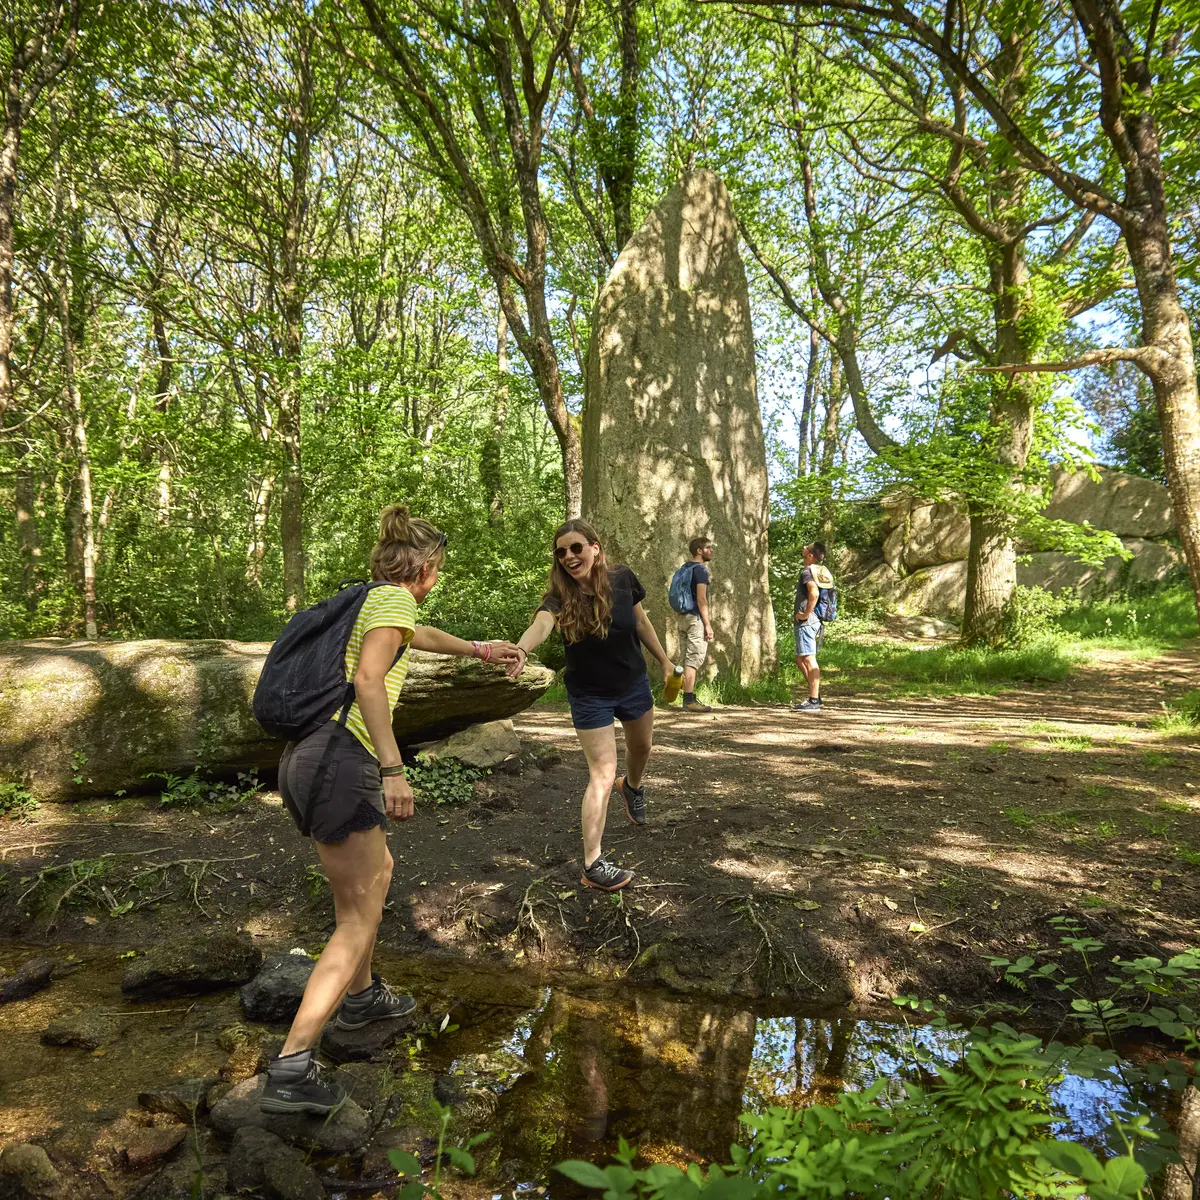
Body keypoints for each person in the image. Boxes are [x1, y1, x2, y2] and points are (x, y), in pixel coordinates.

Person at [261, 506, 521, 1116]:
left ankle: (361, 996)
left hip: (305, 758)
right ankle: (293, 1067)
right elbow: (371, 680)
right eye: (439, 572)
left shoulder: (369, 601)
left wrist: (479, 649)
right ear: (426, 570)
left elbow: (416, 639)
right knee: (356, 917)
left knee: (377, 878)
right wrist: (393, 768)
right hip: (341, 761)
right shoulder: (394, 605)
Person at [509, 519, 675, 892]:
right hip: (589, 694)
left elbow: (641, 621)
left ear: (595, 548)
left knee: (642, 748)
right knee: (601, 773)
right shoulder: (557, 599)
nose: (569, 556)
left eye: (576, 548)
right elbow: (541, 625)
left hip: (632, 683)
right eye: (561, 551)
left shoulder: (622, 578)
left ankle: (632, 787)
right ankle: (593, 864)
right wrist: (522, 648)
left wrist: (664, 661)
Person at [792, 542, 833, 713]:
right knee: (800, 659)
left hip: (807, 621)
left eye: (806, 547)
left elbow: (814, 594)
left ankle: (814, 700)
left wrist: (805, 614)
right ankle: (815, 694)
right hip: (815, 620)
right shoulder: (821, 572)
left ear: (809, 555)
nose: (803, 547)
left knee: (808, 659)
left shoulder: (808, 572)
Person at [676, 536, 714, 713]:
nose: (711, 550)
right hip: (695, 619)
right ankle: (689, 700)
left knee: (684, 658)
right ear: (699, 551)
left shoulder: (684, 568)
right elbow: (701, 599)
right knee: (693, 660)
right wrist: (707, 624)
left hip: (682, 618)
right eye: (708, 548)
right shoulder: (701, 570)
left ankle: (677, 693)